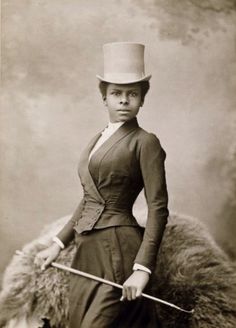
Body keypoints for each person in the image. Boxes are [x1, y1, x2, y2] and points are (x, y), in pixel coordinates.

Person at [35, 42, 169, 328]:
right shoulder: (96, 140)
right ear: (104, 98)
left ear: (142, 100)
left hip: (120, 250)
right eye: (116, 93)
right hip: (87, 253)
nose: (124, 100)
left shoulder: (145, 142)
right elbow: (90, 199)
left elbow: (158, 208)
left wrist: (142, 269)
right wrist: (58, 244)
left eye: (132, 94)